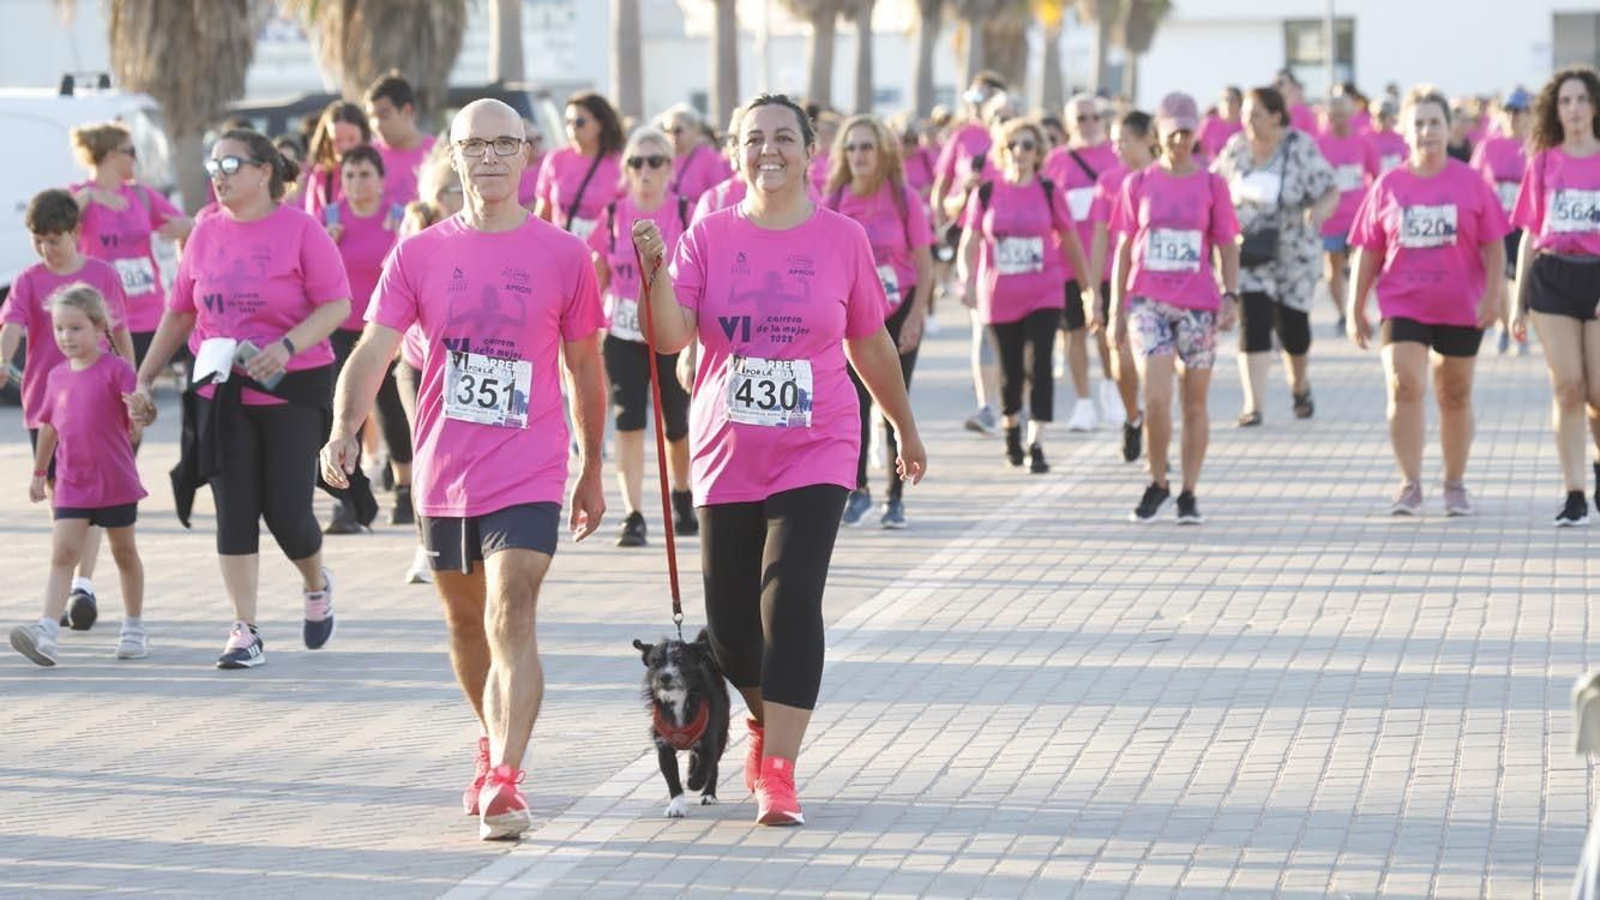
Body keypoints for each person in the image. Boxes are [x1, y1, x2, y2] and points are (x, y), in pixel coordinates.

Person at [632, 93, 926, 826]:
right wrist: (656, 272)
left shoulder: (842, 239)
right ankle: (764, 722)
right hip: (727, 453)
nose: (770, 150)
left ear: (808, 150)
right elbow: (670, 336)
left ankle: (781, 771)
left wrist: (905, 428)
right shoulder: (706, 234)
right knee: (731, 630)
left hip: (818, 444)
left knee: (788, 601)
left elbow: (871, 343)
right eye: (754, 138)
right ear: (734, 152)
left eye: (784, 137)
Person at [324, 99, 607, 840]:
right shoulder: (417, 253)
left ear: (527, 154)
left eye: (502, 144)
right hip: (445, 471)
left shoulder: (565, 255)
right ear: (452, 155)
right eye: (473, 145)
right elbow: (373, 349)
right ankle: (489, 740)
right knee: (464, 624)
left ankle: (508, 780)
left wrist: (593, 465)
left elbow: (585, 367)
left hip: (532, 467)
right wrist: (343, 428)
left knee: (511, 606)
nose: (488, 157)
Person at [127, 128, 353, 669]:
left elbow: (337, 305)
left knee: (289, 515)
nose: (221, 175)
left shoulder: (301, 230)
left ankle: (316, 581)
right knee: (234, 510)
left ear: (265, 172)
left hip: (291, 385)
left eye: (231, 164)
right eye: (214, 166)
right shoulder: (205, 231)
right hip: (220, 387)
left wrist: (286, 345)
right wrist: (143, 378)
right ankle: (244, 628)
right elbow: (181, 310)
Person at [1347, 86, 1509, 516]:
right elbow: (1368, 249)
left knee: (1454, 393)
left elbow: (1495, 245)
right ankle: (1410, 481)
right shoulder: (1389, 185)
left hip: (1460, 304)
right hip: (1403, 302)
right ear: (1403, 130)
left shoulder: (1471, 182)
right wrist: (1354, 307)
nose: (1426, 131)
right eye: (1417, 123)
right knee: (1405, 384)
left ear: (1448, 127)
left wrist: (1494, 298)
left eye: (1434, 122)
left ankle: (1454, 483)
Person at [0, 190, 135, 632]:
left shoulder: (102, 275)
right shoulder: (27, 280)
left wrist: (135, 384)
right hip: (45, 407)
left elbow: (119, 332)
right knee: (64, 498)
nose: (46, 249)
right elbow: (12, 327)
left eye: (54, 239)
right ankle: (74, 581)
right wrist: (3, 361)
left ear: (76, 233)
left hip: (98, 407)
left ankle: (82, 583)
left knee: (89, 497)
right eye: (38, 240)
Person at [1110, 92, 1242, 524]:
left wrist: (1231, 294)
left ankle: (1188, 491)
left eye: (1187, 132)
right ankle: (1157, 481)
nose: (1180, 140)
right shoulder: (1138, 184)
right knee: (1156, 395)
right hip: (1148, 301)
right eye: (1173, 133)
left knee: (1194, 403)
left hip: (1198, 306)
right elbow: (1124, 247)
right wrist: (1115, 311)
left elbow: (1225, 242)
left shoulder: (1211, 184)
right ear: (1158, 135)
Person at [9, 284, 148, 666]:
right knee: (63, 554)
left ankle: (134, 627)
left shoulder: (117, 370)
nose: (66, 337)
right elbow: (49, 428)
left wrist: (142, 410)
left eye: (75, 328)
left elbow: (139, 421)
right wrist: (40, 471)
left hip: (115, 481)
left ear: (98, 327)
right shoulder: (55, 377)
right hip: (72, 483)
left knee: (124, 553)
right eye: (59, 329)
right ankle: (47, 633)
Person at [959, 117, 1095, 473]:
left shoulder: (1050, 191)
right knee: (1011, 371)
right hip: (1000, 294)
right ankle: (1011, 429)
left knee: (1041, 365)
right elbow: (969, 241)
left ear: (1038, 153)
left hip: (1044, 292)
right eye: (1013, 145)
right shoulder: (986, 192)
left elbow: (1071, 242)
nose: (1020, 152)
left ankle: (1037, 441)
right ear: (1003, 152)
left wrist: (1087, 290)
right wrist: (966, 278)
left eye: (1028, 145)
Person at [586, 126, 697, 546]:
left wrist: (696, 341)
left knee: (676, 420)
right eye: (636, 162)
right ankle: (633, 511)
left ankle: (682, 493)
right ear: (627, 170)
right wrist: (590, 332)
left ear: (670, 167)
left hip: (672, 329)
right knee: (627, 420)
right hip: (623, 331)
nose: (645, 170)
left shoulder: (685, 213)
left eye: (655, 161)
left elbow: (696, 280)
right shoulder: (613, 216)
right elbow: (598, 275)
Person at [824, 114, 936, 527]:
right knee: (853, 402)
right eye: (851, 148)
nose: (858, 155)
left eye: (866, 147)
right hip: (852, 316)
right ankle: (859, 490)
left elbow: (924, 266)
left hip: (898, 307)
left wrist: (917, 316)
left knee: (894, 400)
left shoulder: (904, 199)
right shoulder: (834, 199)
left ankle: (895, 494)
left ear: (883, 152)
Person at [1213, 86, 1338, 426]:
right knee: (1252, 320)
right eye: (1244, 115)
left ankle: (1299, 386)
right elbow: (1214, 186)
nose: (1247, 122)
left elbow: (1330, 188)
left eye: (1255, 115)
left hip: (1294, 251)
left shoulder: (1300, 147)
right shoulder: (1236, 149)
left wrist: (1318, 212)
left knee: (1292, 327)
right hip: (1249, 250)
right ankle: (1253, 404)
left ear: (1276, 116)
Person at [1509, 65, 1600, 526]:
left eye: (1581, 99)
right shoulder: (1544, 161)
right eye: (1565, 101)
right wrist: (1516, 300)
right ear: (1555, 109)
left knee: (1598, 390)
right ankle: (1574, 492)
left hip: (1598, 276)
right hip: (1553, 278)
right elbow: (1528, 234)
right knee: (1568, 387)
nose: (1574, 109)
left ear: (1595, 105)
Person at [322, 144, 412, 534]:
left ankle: (405, 490)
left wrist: (401, 236)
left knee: (392, 410)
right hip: (341, 327)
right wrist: (328, 240)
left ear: (380, 179)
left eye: (364, 175)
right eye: (349, 175)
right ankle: (347, 500)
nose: (356, 183)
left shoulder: (396, 218)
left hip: (387, 328)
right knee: (345, 411)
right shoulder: (329, 219)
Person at [393, 142, 466, 585]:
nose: (449, 199)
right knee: (428, 453)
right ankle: (427, 543)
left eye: (456, 189)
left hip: (468, 367)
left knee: (463, 453)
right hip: (419, 362)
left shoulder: (480, 237)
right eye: (441, 190)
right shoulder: (415, 238)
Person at [67, 121, 193, 364]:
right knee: (107, 395)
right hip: (100, 317)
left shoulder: (140, 194)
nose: (136, 159)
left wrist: (186, 227)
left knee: (140, 393)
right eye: (131, 152)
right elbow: (56, 221)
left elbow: (192, 225)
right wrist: (91, 195)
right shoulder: (79, 195)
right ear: (112, 155)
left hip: (149, 315)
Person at [932, 72, 1008, 435]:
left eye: (989, 97)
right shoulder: (965, 137)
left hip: (1018, 247)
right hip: (974, 239)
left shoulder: (1022, 138)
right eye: (977, 97)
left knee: (1015, 333)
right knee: (982, 323)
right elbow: (943, 193)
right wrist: (948, 213)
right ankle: (988, 405)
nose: (983, 105)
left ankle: (1015, 401)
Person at [1045, 93, 1123, 432]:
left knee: (1106, 332)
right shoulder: (1056, 161)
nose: (1089, 124)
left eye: (1094, 117)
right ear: (1068, 124)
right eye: (1081, 118)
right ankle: (1083, 403)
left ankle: (1113, 389)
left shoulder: (1115, 157)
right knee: (1074, 333)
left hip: (1107, 264)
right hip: (1067, 264)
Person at [1089, 110, 1158, 463]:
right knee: (1123, 363)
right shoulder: (1109, 182)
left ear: (1147, 138)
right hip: (1115, 281)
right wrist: (1093, 290)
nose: (1116, 147)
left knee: (1157, 366)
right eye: (1113, 140)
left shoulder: (1165, 175)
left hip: (1156, 283)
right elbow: (1101, 235)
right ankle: (1133, 417)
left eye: (1123, 140)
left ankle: (1157, 434)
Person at [1470, 87, 1534, 354]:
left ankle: (1519, 326)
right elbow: (1473, 182)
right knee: (1501, 281)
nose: (1513, 116)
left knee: (1521, 278)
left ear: (1529, 114)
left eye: (1518, 111)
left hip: (1526, 224)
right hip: (1497, 225)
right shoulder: (1488, 146)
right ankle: (1505, 327)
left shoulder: (1535, 146)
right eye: (1508, 110)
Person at [1317, 94, 1381, 331]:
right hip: (1331, 218)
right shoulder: (1320, 143)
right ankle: (1343, 313)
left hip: (1359, 216)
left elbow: (1377, 177)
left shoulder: (1363, 142)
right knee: (1332, 267)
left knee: (1361, 265)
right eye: (1333, 115)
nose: (1338, 120)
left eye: (1342, 114)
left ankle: (1360, 308)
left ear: (1351, 114)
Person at [533, 90, 625, 239]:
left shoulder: (619, 164)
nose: (572, 128)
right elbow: (543, 213)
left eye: (579, 122)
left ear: (600, 124)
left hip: (602, 255)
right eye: (568, 122)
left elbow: (628, 217)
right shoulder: (556, 159)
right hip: (561, 249)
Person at [364, 71, 437, 205]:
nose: (376, 125)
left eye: (384, 115)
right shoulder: (367, 156)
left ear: (407, 111)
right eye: (371, 117)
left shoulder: (438, 153)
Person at [303, 100, 372, 217]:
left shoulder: (376, 171)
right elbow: (311, 221)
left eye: (351, 139)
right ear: (327, 140)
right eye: (337, 140)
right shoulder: (321, 174)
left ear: (364, 136)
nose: (345, 147)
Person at [659, 103, 732, 206]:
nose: (672, 136)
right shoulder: (661, 160)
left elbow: (719, 199)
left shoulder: (710, 159)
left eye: (677, 131)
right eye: (667, 131)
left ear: (694, 130)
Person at [1198, 86, 1244, 160]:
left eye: (1233, 100)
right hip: (1210, 168)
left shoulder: (1246, 125)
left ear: (1240, 103)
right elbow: (1199, 150)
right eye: (1225, 99)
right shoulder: (1209, 123)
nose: (1229, 103)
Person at [1367, 99, 1409, 173]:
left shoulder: (1402, 139)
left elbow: (1407, 164)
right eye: (1379, 116)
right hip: (1375, 183)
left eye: (1385, 116)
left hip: (1398, 181)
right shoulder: (1366, 138)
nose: (1381, 120)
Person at [1275, 69, 1320, 135]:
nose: (1277, 87)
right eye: (1275, 84)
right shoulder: (1272, 112)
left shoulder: (1303, 112)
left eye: (1280, 83)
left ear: (1292, 85)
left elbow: (1313, 138)